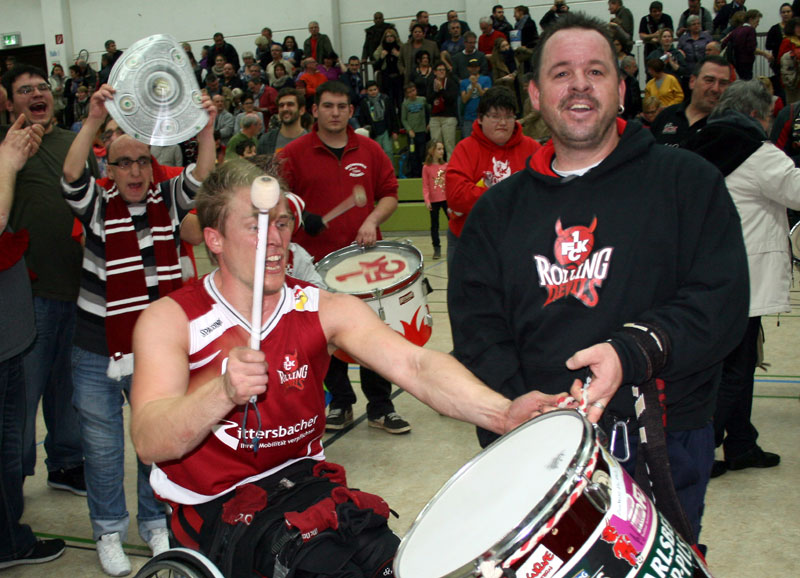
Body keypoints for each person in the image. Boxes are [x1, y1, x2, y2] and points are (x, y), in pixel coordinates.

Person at [128, 156, 561, 576]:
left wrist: (502, 413)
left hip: (304, 483)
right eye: (255, 226)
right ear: (215, 239)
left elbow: (416, 365)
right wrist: (220, 391)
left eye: (281, 223)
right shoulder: (171, 319)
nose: (276, 240)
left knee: (395, 562)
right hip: (215, 505)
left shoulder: (322, 307)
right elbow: (150, 440)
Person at [447, 12, 749, 544]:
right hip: (536, 446)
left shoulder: (687, 182)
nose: (580, 84)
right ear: (536, 96)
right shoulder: (496, 212)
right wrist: (532, 409)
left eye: (596, 71)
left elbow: (720, 303)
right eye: (561, 73)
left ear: (622, 88)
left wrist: (630, 351)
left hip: (663, 438)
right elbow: (477, 329)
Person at [60, 83, 216, 576]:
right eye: (123, 162)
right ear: (109, 169)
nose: (134, 171)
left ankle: (154, 523)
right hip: (94, 349)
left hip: (153, 353)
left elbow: (204, 174)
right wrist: (91, 120)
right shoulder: (96, 204)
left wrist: (207, 127)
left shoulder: (166, 201)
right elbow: (69, 174)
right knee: (103, 447)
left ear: (152, 167)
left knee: (156, 439)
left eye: (142, 162)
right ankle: (108, 530)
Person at [278, 81, 411, 434]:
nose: (335, 113)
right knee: (326, 338)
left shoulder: (369, 150)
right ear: (315, 110)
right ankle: (341, 402)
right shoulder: (292, 153)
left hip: (365, 265)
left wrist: (371, 219)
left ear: (351, 111)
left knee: (372, 335)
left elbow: (389, 194)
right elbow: (276, 196)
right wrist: (299, 215)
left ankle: (382, 406)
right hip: (315, 266)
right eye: (328, 106)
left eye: (341, 106)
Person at [685, 79, 792, 479]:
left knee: (733, 362)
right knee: (736, 366)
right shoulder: (758, 152)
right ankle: (705, 446)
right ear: (755, 113)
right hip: (747, 274)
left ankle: (742, 443)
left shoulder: (704, 140)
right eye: (767, 115)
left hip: (710, 269)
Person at [2, 64, 89, 495]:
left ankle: (68, 461)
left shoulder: (75, 143)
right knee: (22, 397)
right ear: (10, 102)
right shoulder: (7, 150)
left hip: (78, 287)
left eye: (42, 88)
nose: (37, 94)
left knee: (66, 385)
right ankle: (11, 476)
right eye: (24, 90)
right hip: (29, 292)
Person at [0, 111, 68, 571]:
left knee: (6, 443)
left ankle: (8, 540)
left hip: (9, 332)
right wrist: (7, 162)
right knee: (6, 442)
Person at [445, 86, 539, 264]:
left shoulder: (532, 149)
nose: (503, 123)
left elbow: (543, 193)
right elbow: (456, 196)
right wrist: (510, 197)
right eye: (495, 116)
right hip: (470, 242)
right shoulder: (465, 148)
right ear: (480, 118)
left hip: (518, 243)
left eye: (508, 116)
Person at [651, 56, 732, 146]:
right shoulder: (667, 116)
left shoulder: (730, 126)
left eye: (723, 83)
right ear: (692, 81)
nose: (716, 89)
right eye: (709, 80)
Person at [722, 9, 771, 80]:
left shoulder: (737, 30)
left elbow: (724, 42)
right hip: (746, 62)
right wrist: (764, 54)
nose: (758, 24)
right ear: (751, 19)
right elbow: (751, 48)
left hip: (736, 62)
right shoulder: (750, 30)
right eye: (757, 21)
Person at [257, 88, 308, 156]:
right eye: (281, 105)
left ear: (301, 110)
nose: (285, 109)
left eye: (290, 104)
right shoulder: (265, 141)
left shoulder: (314, 142)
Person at [358, 81, 399, 160]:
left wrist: (395, 131)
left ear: (378, 89)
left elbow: (392, 115)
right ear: (366, 91)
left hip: (386, 129)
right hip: (374, 132)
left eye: (375, 89)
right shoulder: (364, 103)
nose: (373, 92)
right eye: (370, 90)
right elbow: (362, 118)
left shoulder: (386, 99)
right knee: (376, 153)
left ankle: (390, 170)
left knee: (388, 151)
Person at [427, 61, 459, 160]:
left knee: (449, 146)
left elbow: (451, 99)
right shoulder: (431, 82)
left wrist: (441, 89)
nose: (442, 72)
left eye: (443, 70)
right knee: (436, 146)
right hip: (435, 118)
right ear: (434, 72)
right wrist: (436, 91)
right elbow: (428, 99)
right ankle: (437, 171)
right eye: (439, 70)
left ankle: (450, 170)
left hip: (448, 117)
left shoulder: (450, 82)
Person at [422, 140, 447, 259]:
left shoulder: (446, 166)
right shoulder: (426, 168)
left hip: (446, 199)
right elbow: (425, 185)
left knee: (453, 223)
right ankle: (436, 248)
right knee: (434, 226)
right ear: (432, 151)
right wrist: (427, 200)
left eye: (442, 149)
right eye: (439, 149)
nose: (442, 151)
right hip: (434, 200)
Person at [400, 82, 429, 178]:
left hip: (422, 131)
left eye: (413, 91)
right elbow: (403, 119)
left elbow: (428, 112)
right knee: (413, 154)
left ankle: (423, 173)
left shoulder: (422, 100)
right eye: (409, 92)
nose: (412, 93)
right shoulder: (405, 104)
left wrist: (428, 124)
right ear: (407, 94)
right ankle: (414, 174)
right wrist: (409, 130)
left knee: (422, 153)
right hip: (412, 134)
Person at [460, 59, 493, 138]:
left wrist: (476, 85)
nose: (473, 69)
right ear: (468, 68)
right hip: (468, 117)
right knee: (468, 141)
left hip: (483, 116)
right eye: (471, 67)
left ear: (479, 68)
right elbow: (464, 99)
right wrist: (472, 87)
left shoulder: (486, 79)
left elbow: (486, 96)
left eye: (475, 67)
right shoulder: (464, 82)